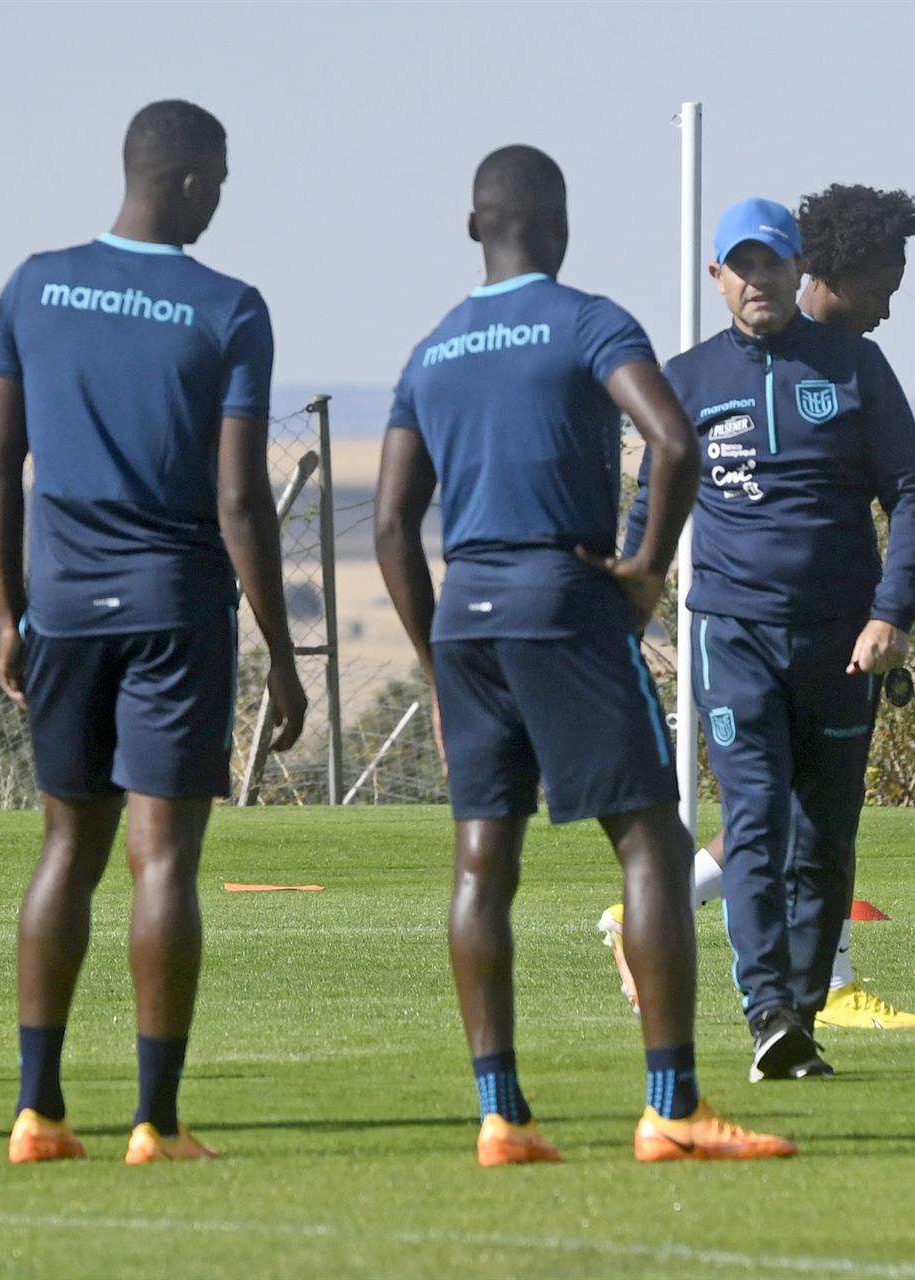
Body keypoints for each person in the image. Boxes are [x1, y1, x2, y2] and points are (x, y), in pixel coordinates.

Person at [373, 145, 791, 1165]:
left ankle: (500, 1115)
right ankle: (672, 1104)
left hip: (465, 614)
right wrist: (645, 567)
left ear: (476, 228)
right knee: (648, 840)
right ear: (558, 229)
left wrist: (436, 656)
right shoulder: (586, 319)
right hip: (562, 602)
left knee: (483, 861)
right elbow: (677, 441)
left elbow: (390, 523)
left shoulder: (430, 351)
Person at [0, 100, 308, 1165]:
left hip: (63, 609)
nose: (221, 199)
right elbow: (241, 501)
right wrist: (283, 654)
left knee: (65, 848)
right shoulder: (230, 308)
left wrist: (8, 610)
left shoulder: (32, 285)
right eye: (218, 180)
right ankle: (156, 1123)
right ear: (187, 180)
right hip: (174, 610)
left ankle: (38, 1111)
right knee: (161, 859)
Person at [599, 182, 915, 1032]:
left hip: (839, 644)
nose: (758, 280)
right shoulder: (688, 379)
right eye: (741, 266)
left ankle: (804, 1018)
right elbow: (651, 512)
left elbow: (909, 491)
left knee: (822, 837)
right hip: (731, 635)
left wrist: (890, 611)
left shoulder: (855, 367)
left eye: (772, 263)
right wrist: (621, 617)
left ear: (797, 268)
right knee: (753, 819)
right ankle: (768, 1012)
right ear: (718, 274)